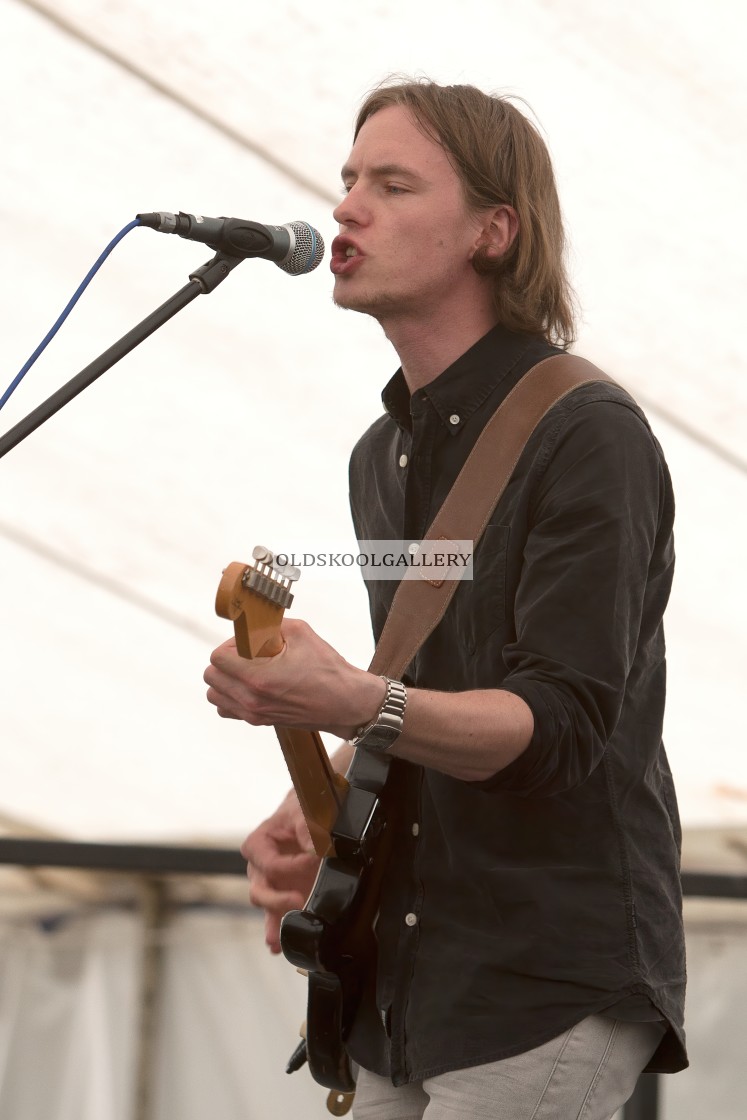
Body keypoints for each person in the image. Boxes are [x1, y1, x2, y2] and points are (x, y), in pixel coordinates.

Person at [203, 78, 687, 1119]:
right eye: (345, 182)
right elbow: (429, 684)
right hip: (404, 975)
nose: (344, 208)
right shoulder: (383, 454)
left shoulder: (587, 432)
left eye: (391, 184)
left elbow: (557, 725)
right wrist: (325, 791)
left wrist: (344, 701)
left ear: (492, 232)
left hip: (541, 974)